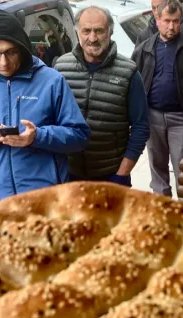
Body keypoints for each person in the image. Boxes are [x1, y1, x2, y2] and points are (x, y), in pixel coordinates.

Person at [0, 11, 90, 205]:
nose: (3, 62)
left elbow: (79, 135)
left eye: (11, 52)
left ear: (23, 48)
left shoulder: (51, 81)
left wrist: (37, 137)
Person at [54, 7, 149, 187]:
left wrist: (122, 175)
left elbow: (141, 127)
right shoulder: (61, 67)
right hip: (69, 175)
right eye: (86, 31)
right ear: (77, 32)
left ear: (110, 32)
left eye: (99, 30)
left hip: (111, 175)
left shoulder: (127, 72)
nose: (92, 38)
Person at [132, 0, 183, 198]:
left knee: (182, 167)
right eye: (167, 21)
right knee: (157, 165)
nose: (172, 26)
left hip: (180, 119)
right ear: (157, 19)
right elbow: (132, 85)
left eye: (176, 21)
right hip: (152, 117)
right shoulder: (144, 49)